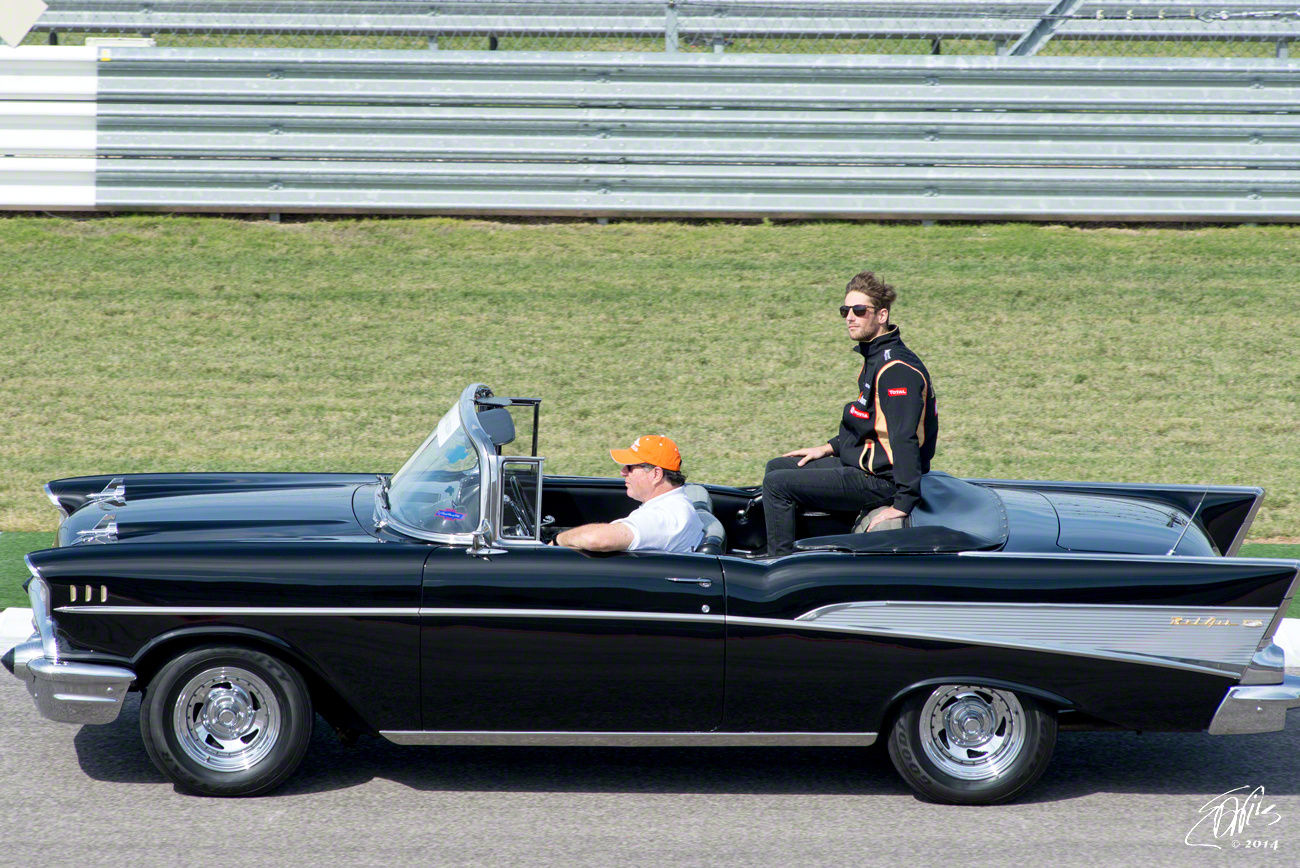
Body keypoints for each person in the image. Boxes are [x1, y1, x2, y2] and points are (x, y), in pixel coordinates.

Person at [762, 270, 938, 557]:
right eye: (845, 311)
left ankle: (779, 566)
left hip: (882, 480)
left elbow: (904, 438)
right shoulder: (876, 357)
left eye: (859, 310)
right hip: (867, 466)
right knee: (777, 467)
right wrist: (828, 447)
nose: (850, 317)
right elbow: (867, 421)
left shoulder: (896, 371)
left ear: (881, 315)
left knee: (776, 485)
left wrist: (903, 503)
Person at [555, 435, 706, 554]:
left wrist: (558, 540)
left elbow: (598, 539)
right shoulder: (672, 505)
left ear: (656, 474)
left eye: (630, 467)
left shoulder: (664, 518)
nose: (622, 472)